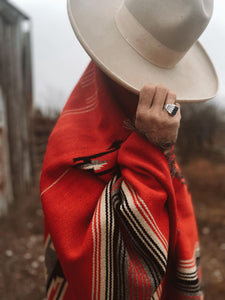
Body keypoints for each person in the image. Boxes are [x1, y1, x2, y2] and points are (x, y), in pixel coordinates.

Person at [40, 0, 218, 299]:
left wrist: (155, 147)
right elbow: (117, 276)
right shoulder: (74, 146)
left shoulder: (149, 128)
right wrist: (149, 149)